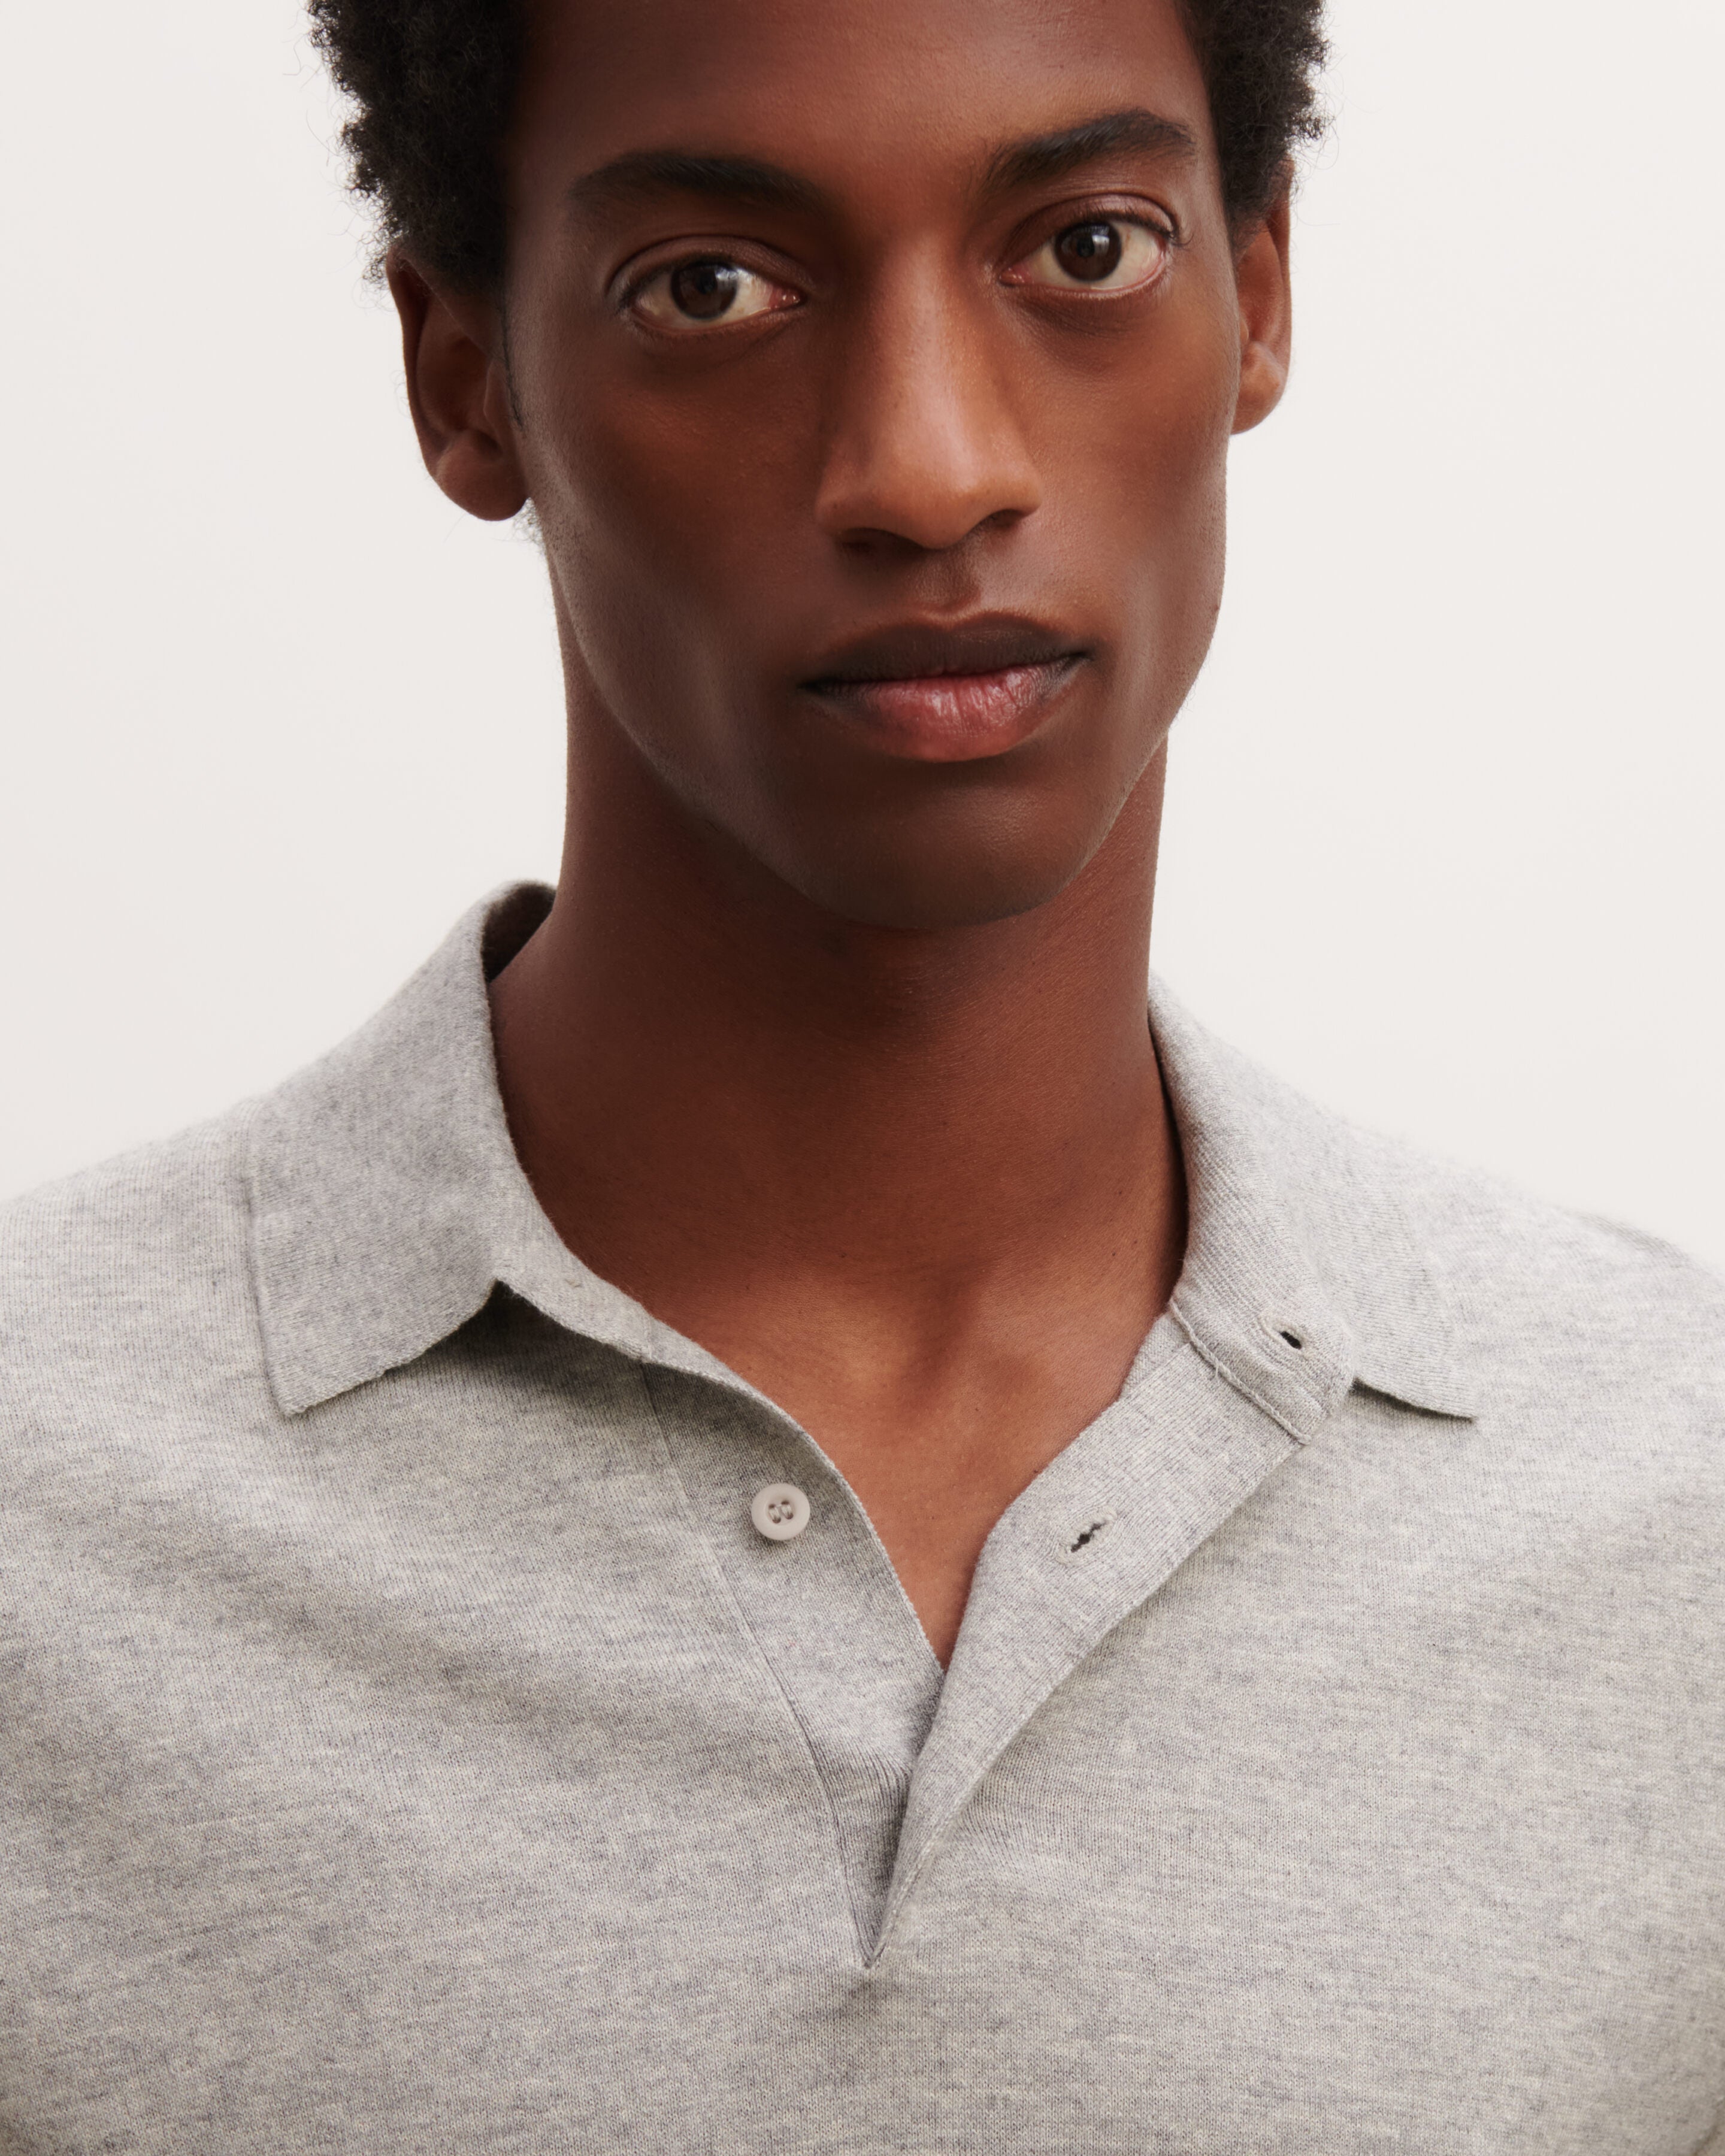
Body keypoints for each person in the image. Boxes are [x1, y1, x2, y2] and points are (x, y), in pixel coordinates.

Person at [2, 0, 1721, 2146]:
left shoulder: (1678, 1518)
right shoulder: (42, 1513)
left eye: (1086, 249)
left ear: (1259, 292)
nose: (928, 467)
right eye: (711, 287)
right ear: (466, 377)